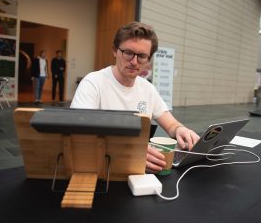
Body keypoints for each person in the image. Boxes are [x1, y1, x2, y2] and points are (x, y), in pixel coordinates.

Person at [71, 21, 200, 173]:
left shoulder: (148, 89)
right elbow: (80, 135)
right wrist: (131, 153)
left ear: (148, 59)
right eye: (128, 53)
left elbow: (171, 125)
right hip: (101, 172)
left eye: (141, 56)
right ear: (115, 51)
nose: (134, 62)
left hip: (138, 172)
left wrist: (180, 129)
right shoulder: (93, 83)